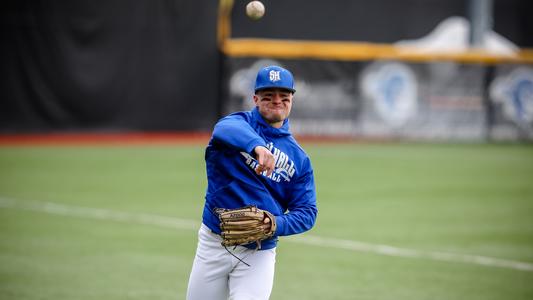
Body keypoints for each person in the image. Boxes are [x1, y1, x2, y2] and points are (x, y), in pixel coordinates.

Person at [186, 65, 318, 300]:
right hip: (214, 242)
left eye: (283, 96)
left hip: (258, 252)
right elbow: (223, 129)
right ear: (255, 99)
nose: (277, 100)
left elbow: (307, 213)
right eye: (268, 96)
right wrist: (256, 146)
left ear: (291, 100)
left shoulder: (299, 158)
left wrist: (274, 224)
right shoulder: (237, 124)